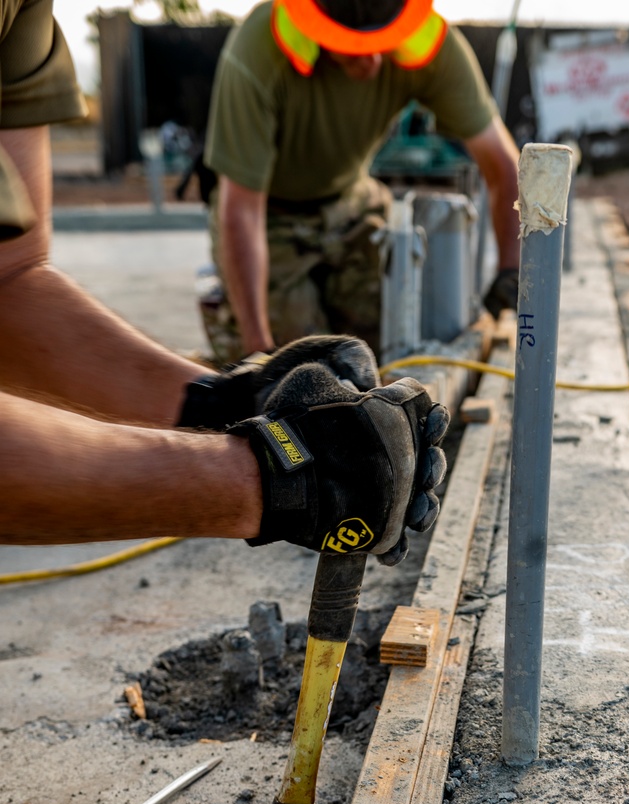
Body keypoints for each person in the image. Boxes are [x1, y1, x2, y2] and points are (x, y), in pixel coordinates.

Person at [0, 0, 445, 560]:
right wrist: (264, 481)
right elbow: (241, 210)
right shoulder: (261, 52)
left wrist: (228, 401)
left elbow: (9, 276)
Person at [201, 0, 520, 362]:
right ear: (315, 23)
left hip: (352, 199)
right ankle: (230, 320)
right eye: (351, 47)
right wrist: (259, 355)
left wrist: (511, 269)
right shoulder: (260, 47)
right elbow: (241, 210)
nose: (370, 61)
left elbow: (502, 165)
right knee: (302, 366)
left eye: (381, 42)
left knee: (405, 326)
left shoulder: (432, 44)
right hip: (270, 216)